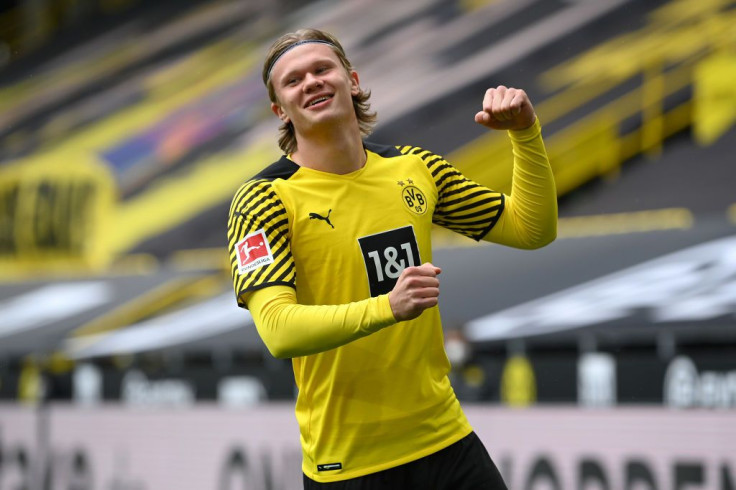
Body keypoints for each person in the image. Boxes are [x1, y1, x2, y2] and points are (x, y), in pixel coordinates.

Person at [227, 28, 557, 489]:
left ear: (353, 80)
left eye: (323, 69)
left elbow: (531, 229)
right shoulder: (263, 200)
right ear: (280, 110)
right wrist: (388, 307)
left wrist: (524, 133)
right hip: (350, 465)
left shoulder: (413, 168)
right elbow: (279, 331)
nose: (312, 82)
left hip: (446, 439)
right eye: (293, 80)